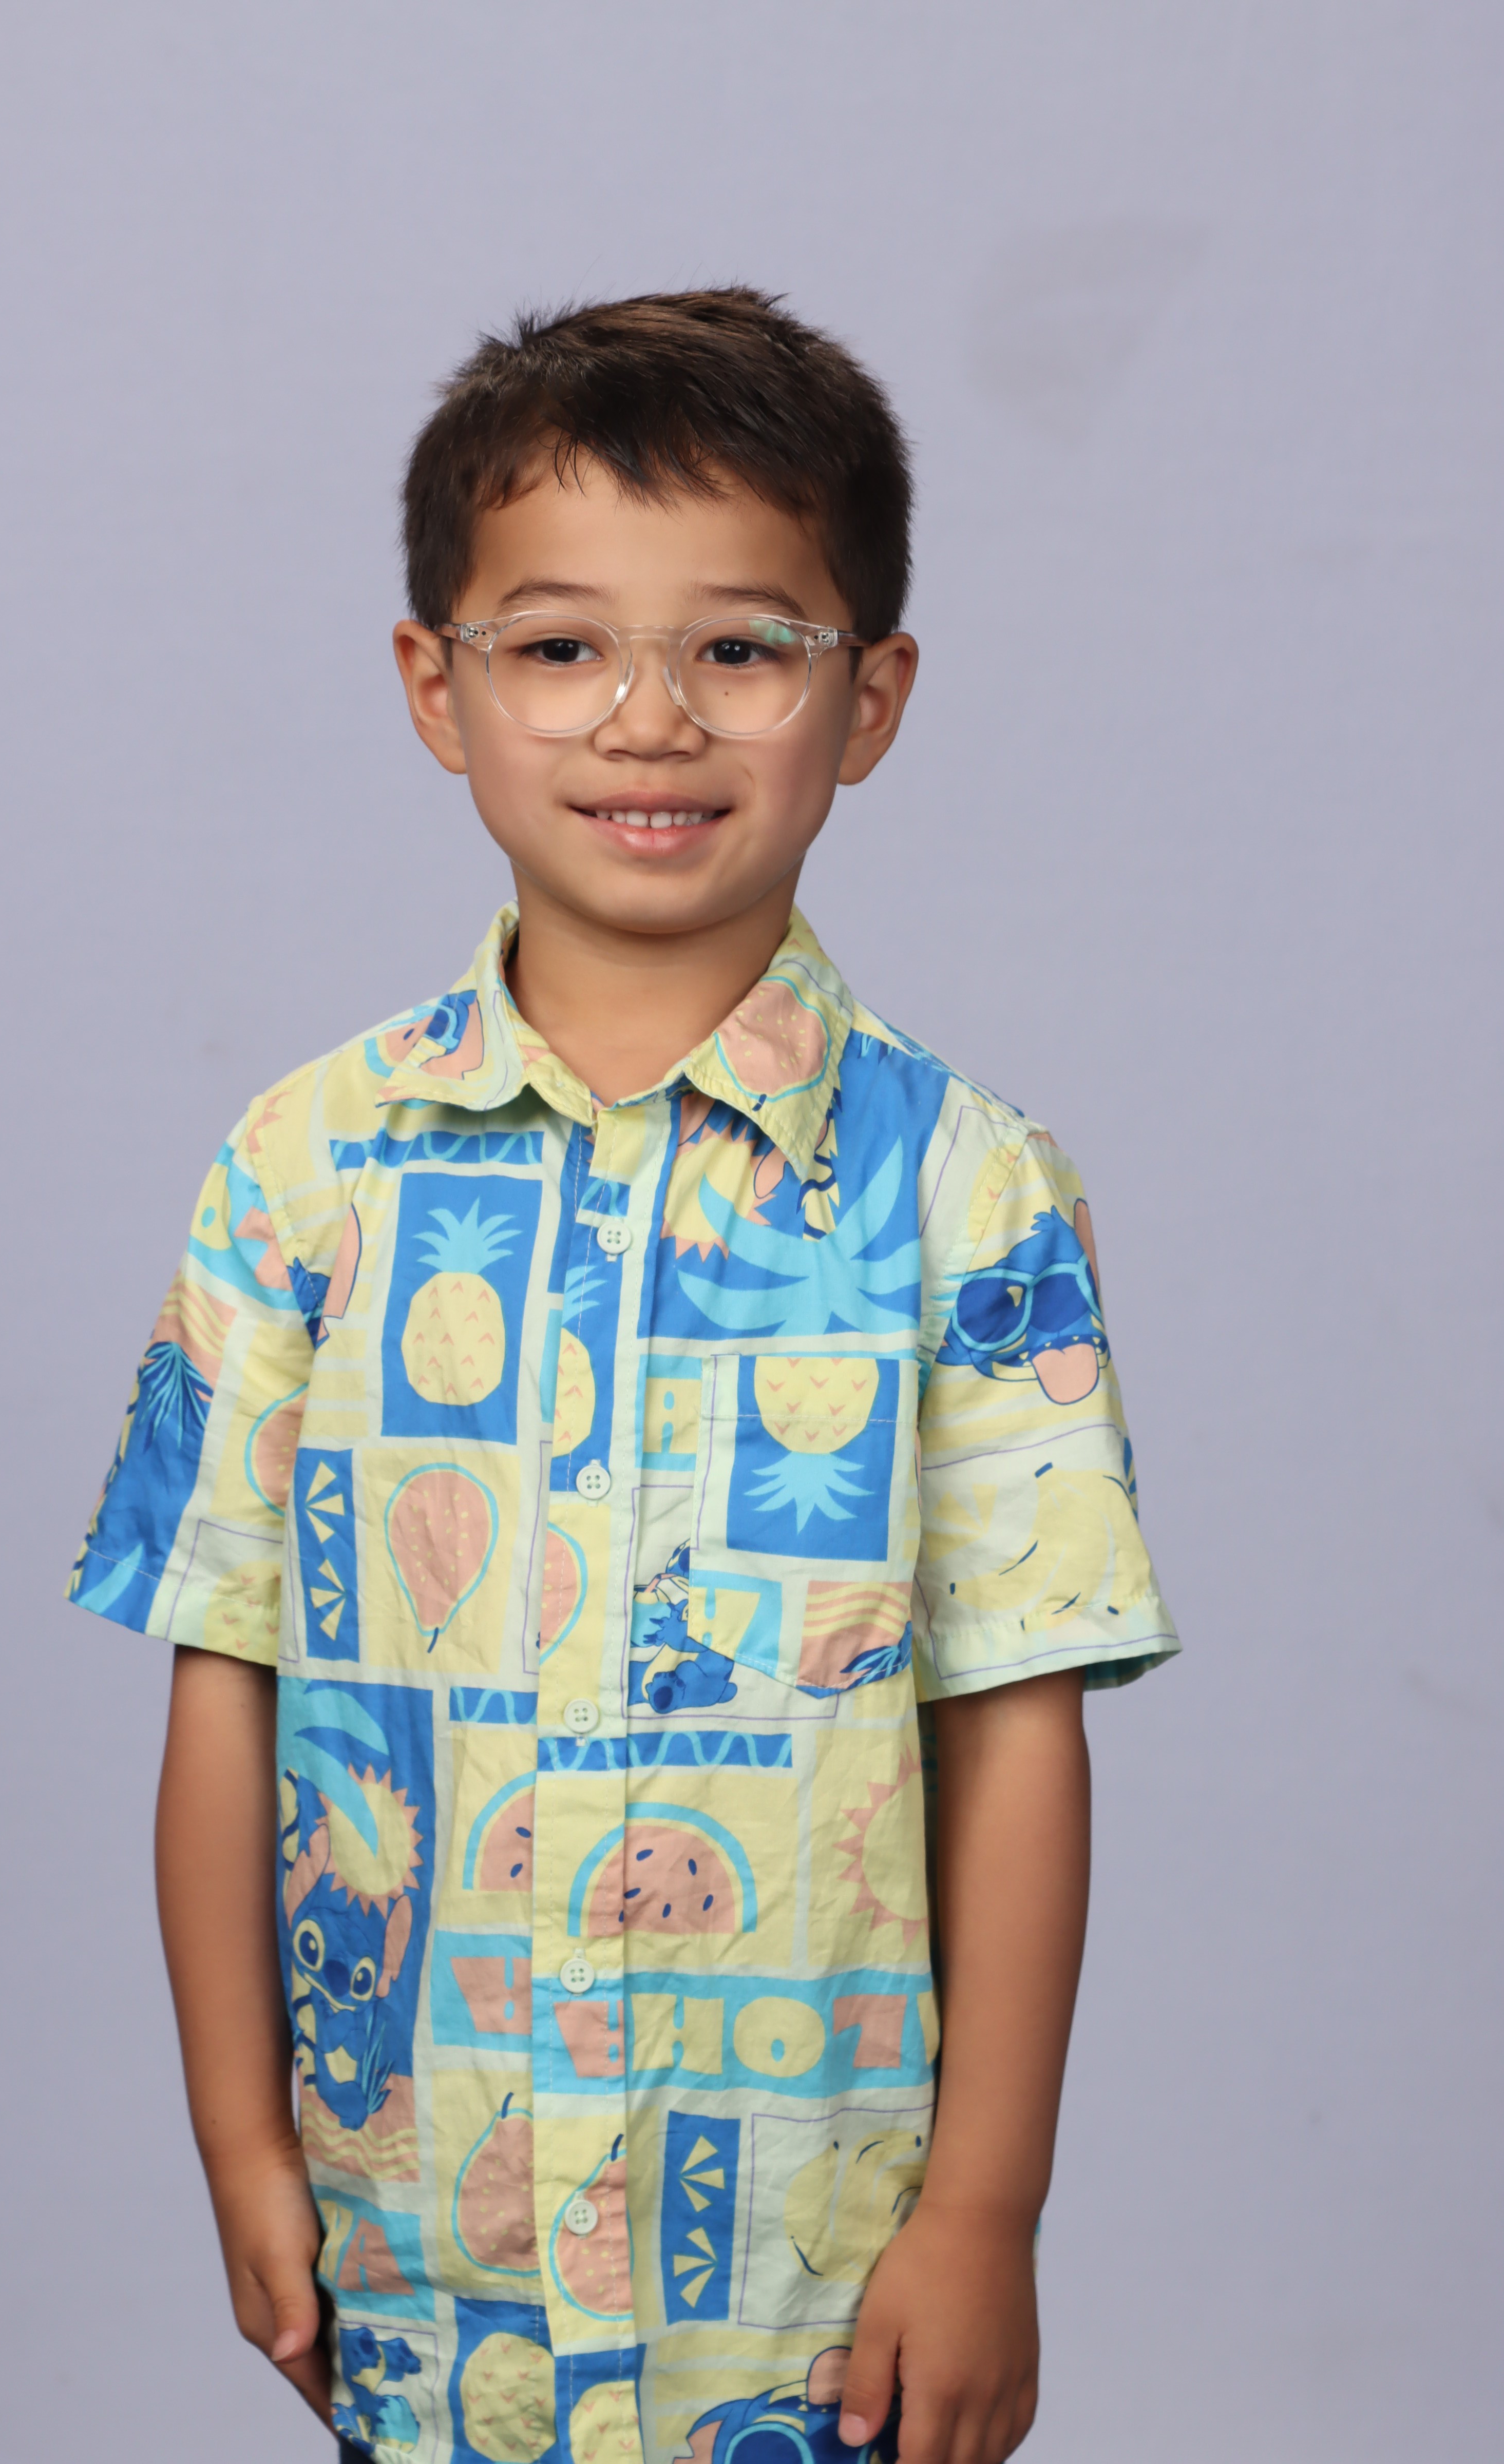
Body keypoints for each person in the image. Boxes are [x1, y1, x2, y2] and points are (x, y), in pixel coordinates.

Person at [69, 288, 1177, 2464]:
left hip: (806, 2269)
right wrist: (240, 2143)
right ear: (438, 687)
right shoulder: (303, 1170)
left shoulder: (967, 1192)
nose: (649, 721)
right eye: (562, 646)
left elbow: (1015, 1723)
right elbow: (223, 1679)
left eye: (742, 649)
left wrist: (985, 2213)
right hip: (427, 2243)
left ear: (868, 700)